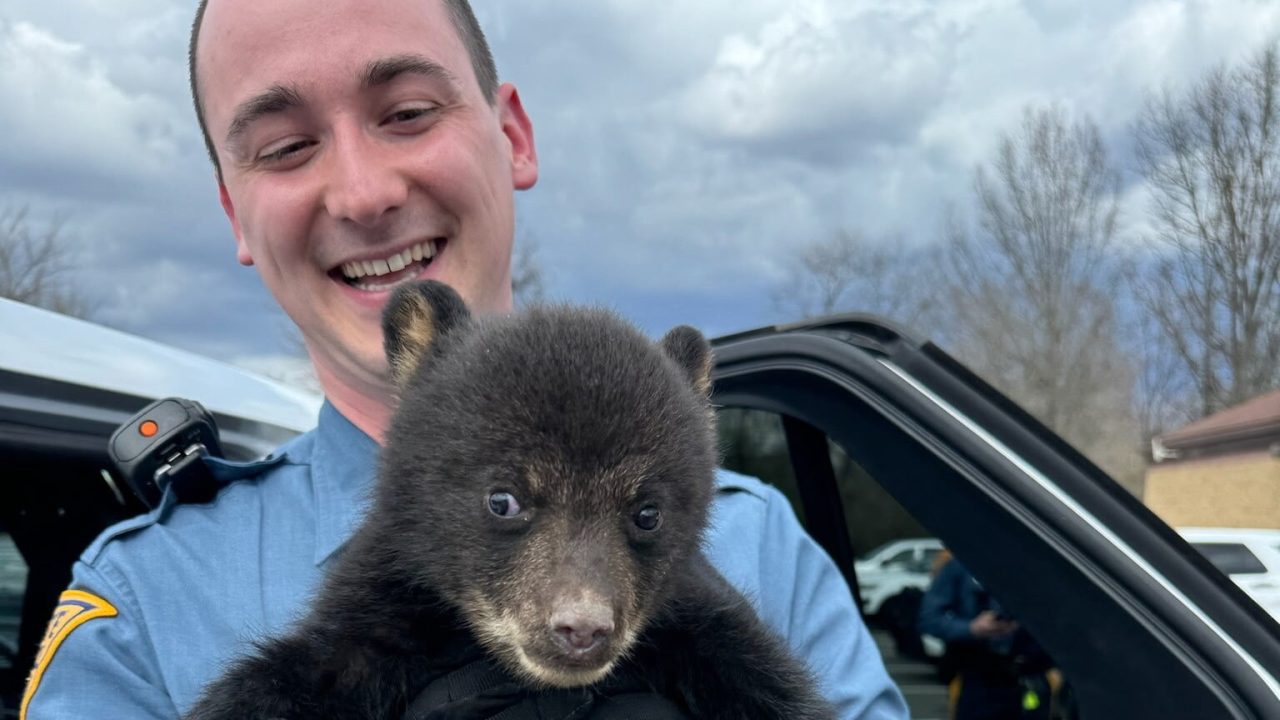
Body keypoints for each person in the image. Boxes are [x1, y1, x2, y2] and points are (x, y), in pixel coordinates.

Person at [19, 1, 909, 718]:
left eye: (407, 113)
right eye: (286, 147)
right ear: (232, 212)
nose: (364, 194)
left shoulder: (762, 549)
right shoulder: (139, 601)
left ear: (514, 134)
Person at [918, 556, 1056, 720]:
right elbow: (929, 618)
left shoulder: (1042, 563)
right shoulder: (961, 565)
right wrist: (972, 628)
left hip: (1030, 677)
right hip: (980, 679)